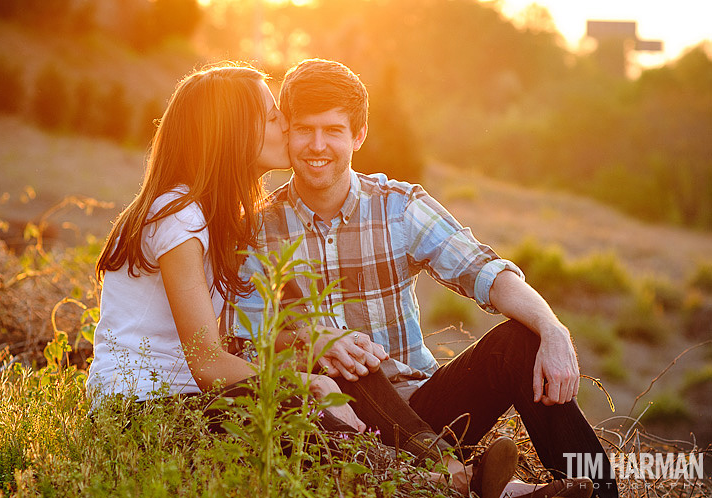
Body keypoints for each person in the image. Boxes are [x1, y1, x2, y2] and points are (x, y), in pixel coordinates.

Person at [84, 63, 518, 498]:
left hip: (192, 405)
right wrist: (304, 382)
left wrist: (315, 348)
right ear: (236, 131)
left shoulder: (209, 216)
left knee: (339, 353)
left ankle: (448, 473)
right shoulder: (179, 215)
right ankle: (443, 482)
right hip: (144, 415)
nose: (285, 126)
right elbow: (208, 362)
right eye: (273, 117)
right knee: (303, 401)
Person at [222, 58, 615, 498]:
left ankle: (599, 492)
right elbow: (245, 339)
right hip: (338, 420)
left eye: (332, 130)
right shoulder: (257, 229)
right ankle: (481, 485)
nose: (317, 145)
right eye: (304, 129)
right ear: (287, 131)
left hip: (429, 407)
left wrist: (552, 328)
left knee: (519, 341)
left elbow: (485, 271)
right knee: (341, 356)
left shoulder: (398, 206)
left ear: (358, 136)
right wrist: (311, 342)